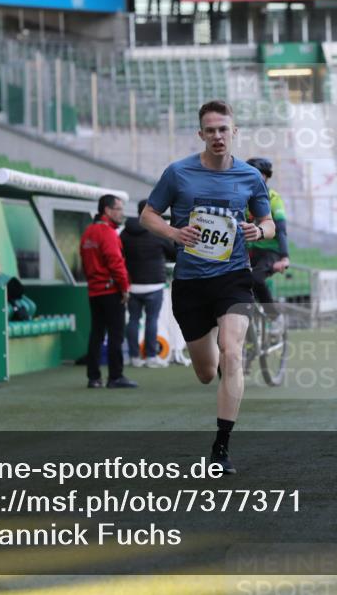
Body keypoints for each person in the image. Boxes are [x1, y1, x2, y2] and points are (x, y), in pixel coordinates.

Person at [140, 100, 274, 474]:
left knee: (232, 353)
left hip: (233, 279)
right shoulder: (178, 173)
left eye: (224, 129)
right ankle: (213, 357)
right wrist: (173, 232)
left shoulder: (249, 177)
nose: (218, 135)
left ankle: (221, 447)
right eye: (210, 130)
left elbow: (268, 222)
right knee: (205, 370)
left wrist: (259, 230)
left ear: (235, 132)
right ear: (201, 134)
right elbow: (147, 215)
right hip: (190, 283)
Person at [80, 194, 137, 389]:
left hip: (94, 291)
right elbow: (116, 263)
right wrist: (124, 288)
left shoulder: (88, 232)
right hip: (110, 290)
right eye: (119, 209)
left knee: (96, 333)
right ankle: (115, 376)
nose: (122, 213)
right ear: (107, 210)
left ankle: (93, 378)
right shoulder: (108, 233)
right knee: (115, 334)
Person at [121, 199, 177, 368]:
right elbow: (173, 253)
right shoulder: (157, 232)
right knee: (151, 320)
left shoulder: (124, 233)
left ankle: (134, 357)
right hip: (155, 284)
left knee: (133, 320)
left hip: (132, 284)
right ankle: (151, 356)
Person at [245, 157, 289, 327]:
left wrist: (284, 257)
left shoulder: (273, 198)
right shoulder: (242, 197)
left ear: (265, 177)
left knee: (256, 278)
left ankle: (274, 317)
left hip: (270, 252)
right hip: (248, 251)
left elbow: (281, 229)